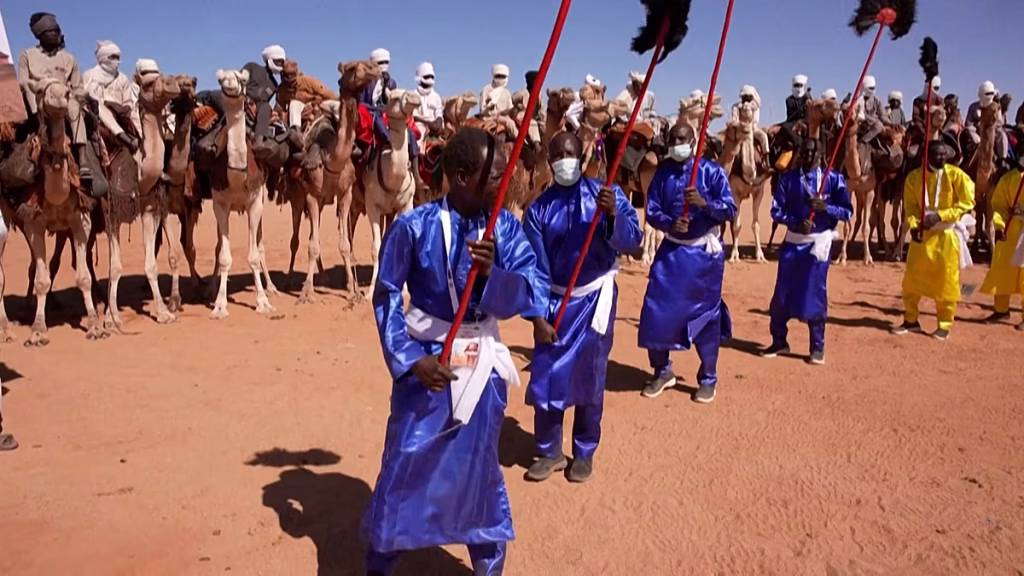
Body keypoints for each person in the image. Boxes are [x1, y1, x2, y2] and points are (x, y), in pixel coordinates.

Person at [362, 127, 542, 576]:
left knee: (479, 473)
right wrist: (410, 361)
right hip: (428, 369)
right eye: (494, 176)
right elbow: (385, 295)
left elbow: (532, 291)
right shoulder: (413, 226)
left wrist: (490, 277)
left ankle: (487, 565)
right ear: (462, 176)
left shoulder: (505, 229)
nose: (504, 184)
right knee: (406, 462)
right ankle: (381, 562)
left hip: (482, 369)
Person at [521, 132, 642, 483]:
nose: (564, 159)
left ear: (581, 153)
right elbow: (533, 269)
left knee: (590, 376)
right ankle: (549, 451)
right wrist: (537, 316)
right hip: (556, 302)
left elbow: (632, 241)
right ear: (549, 159)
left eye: (570, 152)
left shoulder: (606, 194)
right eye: (557, 154)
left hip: (594, 299)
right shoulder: (539, 209)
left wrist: (611, 216)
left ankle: (584, 451)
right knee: (546, 376)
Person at [637, 123, 737, 403]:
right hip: (671, 250)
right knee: (655, 309)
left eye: (682, 138)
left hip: (704, 256)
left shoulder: (713, 172)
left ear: (694, 142)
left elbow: (730, 209)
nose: (677, 142)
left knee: (705, 316)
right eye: (673, 139)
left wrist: (705, 204)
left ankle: (708, 377)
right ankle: (662, 370)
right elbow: (653, 210)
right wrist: (670, 222)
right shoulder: (662, 174)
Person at [760, 138, 852, 364]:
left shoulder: (834, 179)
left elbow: (847, 211)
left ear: (821, 154)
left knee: (815, 293)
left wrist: (826, 208)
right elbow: (776, 211)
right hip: (792, 243)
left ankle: (817, 347)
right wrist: (794, 221)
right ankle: (779, 340)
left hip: (817, 247)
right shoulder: (788, 179)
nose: (808, 156)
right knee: (782, 294)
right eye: (804, 152)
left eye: (813, 152)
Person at [891, 134, 976, 340]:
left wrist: (941, 215)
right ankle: (911, 320)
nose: (941, 158)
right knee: (911, 280)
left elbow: (967, 202)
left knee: (946, 281)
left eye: (944, 155)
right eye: (937, 155)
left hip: (946, 236)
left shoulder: (957, 176)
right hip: (922, 236)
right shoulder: (913, 178)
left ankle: (944, 324)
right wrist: (914, 225)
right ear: (926, 155)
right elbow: (910, 207)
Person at [18, 12, 90, 180]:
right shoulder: (27, 55)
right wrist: (35, 112)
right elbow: (24, 84)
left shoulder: (68, 58)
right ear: (41, 35)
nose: (56, 34)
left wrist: (79, 99)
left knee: (74, 108)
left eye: (57, 31)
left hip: (64, 99)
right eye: (51, 31)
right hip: (39, 97)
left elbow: (78, 87)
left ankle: (84, 159)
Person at [980, 139, 1024, 329]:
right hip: (1011, 229)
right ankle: (1001, 310)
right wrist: (999, 226)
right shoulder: (1008, 179)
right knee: (1002, 269)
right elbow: (999, 206)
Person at [82, 40, 140, 153]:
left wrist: (127, 107)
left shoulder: (122, 78)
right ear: (103, 57)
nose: (116, 61)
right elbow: (85, 95)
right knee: (102, 110)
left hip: (121, 112)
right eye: (113, 57)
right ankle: (122, 137)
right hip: (97, 112)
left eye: (118, 57)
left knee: (140, 118)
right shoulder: (90, 75)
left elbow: (128, 100)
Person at [412, 62, 443, 150]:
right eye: (426, 77)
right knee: (417, 139)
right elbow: (413, 116)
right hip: (418, 125)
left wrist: (439, 123)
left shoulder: (436, 96)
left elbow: (439, 113)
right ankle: (414, 161)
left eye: (431, 77)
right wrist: (428, 123)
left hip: (434, 127)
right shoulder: (413, 95)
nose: (429, 79)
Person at [781, 74, 810, 149]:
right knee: (785, 127)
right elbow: (791, 115)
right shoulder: (789, 100)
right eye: (796, 85)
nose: (798, 88)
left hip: (806, 120)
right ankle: (799, 142)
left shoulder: (808, 98)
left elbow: (808, 113)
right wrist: (798, 123)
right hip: (793, 121)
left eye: (800, 85)